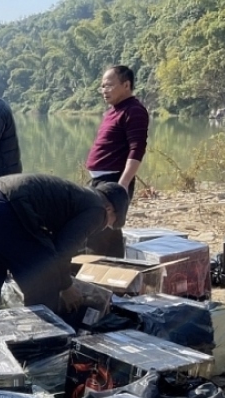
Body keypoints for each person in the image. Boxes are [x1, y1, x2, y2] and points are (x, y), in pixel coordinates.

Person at [0, 174, 129, 315]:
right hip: (2, 209)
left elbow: (52, 242)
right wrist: (66, 286)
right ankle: (42, 340)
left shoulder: (80, 196)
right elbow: (63, 250)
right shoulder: (97, 210)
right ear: (109, 209)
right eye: (111, 223)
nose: (105, 227)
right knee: (45, 280)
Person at [84, 65, 149, 257]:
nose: (104, 90)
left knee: (97, 231)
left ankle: (97, 272)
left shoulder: (134, 111)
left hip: (114, 181)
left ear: (126, 85)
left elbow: (137, 150)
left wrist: (123, 184)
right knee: (108, 233)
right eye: (102, 86)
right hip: (99, 180)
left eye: (109, 85)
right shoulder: (113, 111)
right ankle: (116, 270)